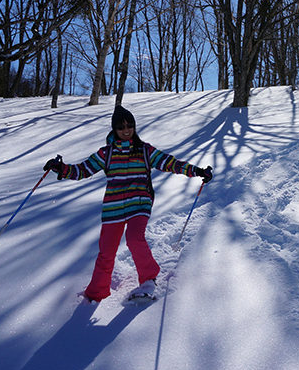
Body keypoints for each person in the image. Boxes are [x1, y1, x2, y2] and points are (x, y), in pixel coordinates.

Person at [44, 105, 213, 303]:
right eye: (121, 127)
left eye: (130, 126)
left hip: (139, 203)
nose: (126, 130)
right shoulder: (105, 153)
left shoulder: (144, 150)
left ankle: (149, 280)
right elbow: (82, 170)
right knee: (106, 251)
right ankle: (96, 293)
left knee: (134, 238)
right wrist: (61, 169)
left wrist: (197, 171)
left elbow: (169, 162)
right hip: (113, 208)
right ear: (114, 129)